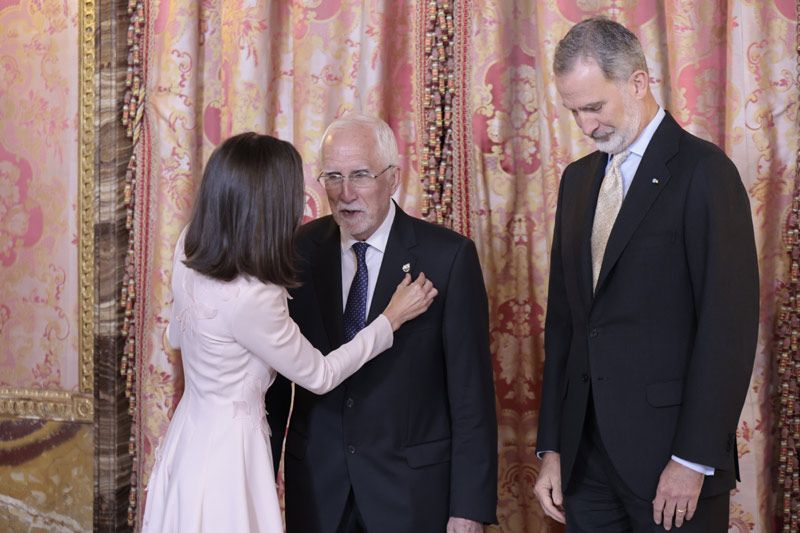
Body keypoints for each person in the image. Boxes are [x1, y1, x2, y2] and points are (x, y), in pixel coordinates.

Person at [141, 132, 438, 533]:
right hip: (231, 455)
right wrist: (389, 320)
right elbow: (320, 375)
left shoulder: (189, 247)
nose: (304, 202)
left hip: (188, 438)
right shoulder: (254, 295)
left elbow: (176, 335)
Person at [533, 17, 759, 532]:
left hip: (671, 464)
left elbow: (729, 328)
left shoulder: (705, 173)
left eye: (594, 107)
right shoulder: (577, 180)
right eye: (573, 111)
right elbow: (565, 326)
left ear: (638, 82)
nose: (586, 126)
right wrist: (553, 447)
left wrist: (693, 459)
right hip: (585, 463)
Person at [266, 114, 498, 533]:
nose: (345, 193)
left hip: (410, 494)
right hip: (318, 491)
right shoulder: (297, 252)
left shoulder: (447, 259)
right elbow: (276, 384)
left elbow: (471, 398)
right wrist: (258, 481)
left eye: (360, 175)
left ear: (393, 178)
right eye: (333, 176)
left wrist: (469, 508)